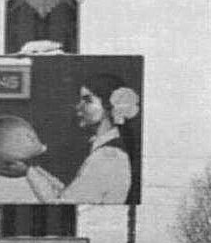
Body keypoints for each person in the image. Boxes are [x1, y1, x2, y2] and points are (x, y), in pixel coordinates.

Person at [21, 73, 140, 204]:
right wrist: (33, 168)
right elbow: (68, 193)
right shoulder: (105, 149)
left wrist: (28, 172)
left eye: (88, 101)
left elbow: (62, 205)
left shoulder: (107, 156)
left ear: (108, 106)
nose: (78, 107)